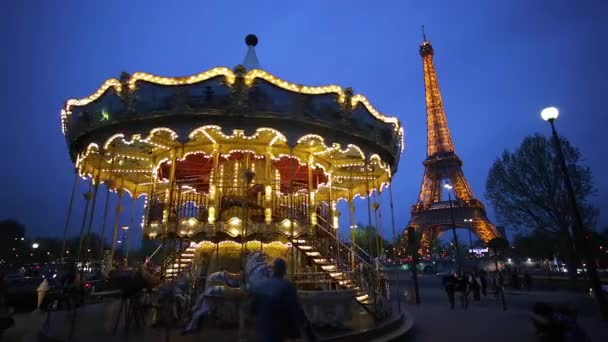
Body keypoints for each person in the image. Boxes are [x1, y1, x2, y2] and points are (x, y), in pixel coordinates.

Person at [250, 258, 316, 342]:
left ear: (274, 269)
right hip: (277, 329)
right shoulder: (286, 286)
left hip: (262, 327)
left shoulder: (263, 285)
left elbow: (253, 308)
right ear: (284, 271)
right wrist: (307, 329)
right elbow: (296, 309)